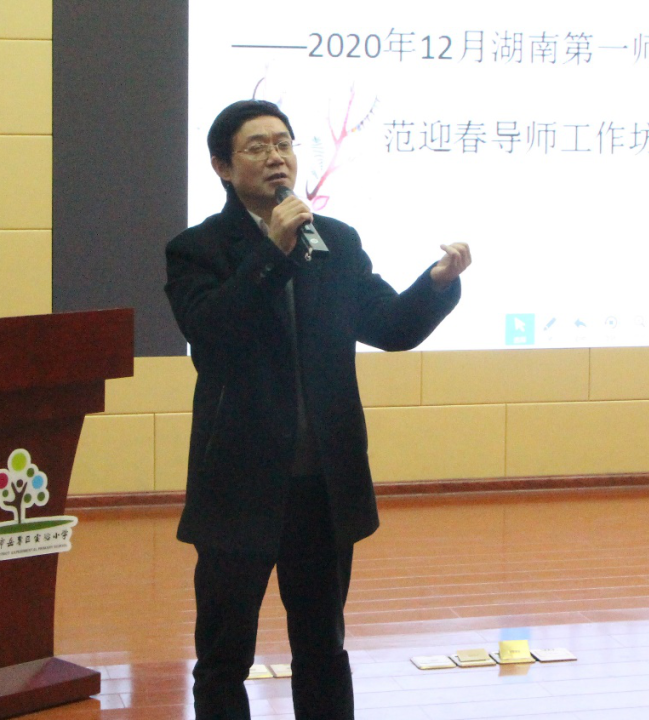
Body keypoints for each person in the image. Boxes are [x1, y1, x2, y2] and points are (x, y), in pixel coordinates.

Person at [164, 99, 471, 720]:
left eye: (284, 143)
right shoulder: (197, 249)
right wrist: (271, 253)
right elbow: (212, 334)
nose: (276, 157)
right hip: (240, 483)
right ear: (222, 166)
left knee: (323, 649)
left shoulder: (335, 241)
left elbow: (390, 326)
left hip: (322, 484)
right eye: (257, 147)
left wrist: (437, 283)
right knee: (224, 656)